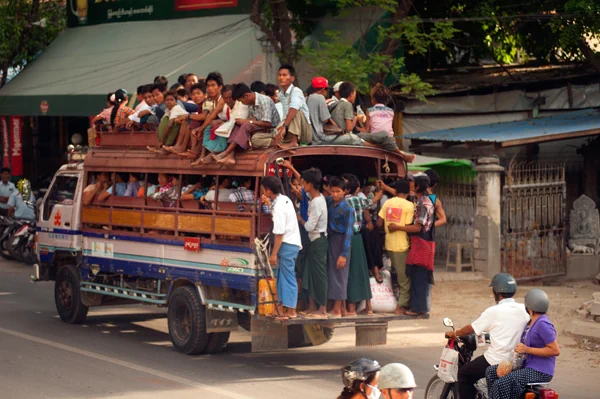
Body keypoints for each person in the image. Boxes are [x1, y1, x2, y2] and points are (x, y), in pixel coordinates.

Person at [445, 273, 530, 399]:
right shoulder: (524, 309)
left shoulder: (493, 311)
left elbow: (471, 328)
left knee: (464, 374)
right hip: (519, 361)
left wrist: (455, 333)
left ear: (496, 292)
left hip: (496, 360)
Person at [486, 289, 559, 399]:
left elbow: (555, 350)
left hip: (540, 370)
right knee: (491, 372)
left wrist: (527, 349)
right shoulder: (531, 322)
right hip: (527, 366)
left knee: (500, 384)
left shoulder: (543, 324)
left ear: (529, 307)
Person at [392, 174, 435, 316]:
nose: (410, 185)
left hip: (421, 241)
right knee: (417, 274)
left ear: (417, 187)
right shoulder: (423, 200)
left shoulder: (423, 203)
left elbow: (418, 227)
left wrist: (398, 227)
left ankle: (419, 308)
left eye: (412, 183)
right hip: (422, 241)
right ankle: (418, 307)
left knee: (419, 275)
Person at [262, 176, 301, 320]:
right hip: (291, 243)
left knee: (288, 277)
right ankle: (280, 308)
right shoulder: (284, 199)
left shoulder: (279, 206)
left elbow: (279, 233)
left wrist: (273, 254)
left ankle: (291, 311)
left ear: (268, 190)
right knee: (281, 277)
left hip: (286, 244)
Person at [216, 83, 280, 165]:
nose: (242, 103)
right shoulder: (250, 103)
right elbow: (253, 119)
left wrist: (248, 121)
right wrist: (246, 121)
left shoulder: (264, 101)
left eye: (241, 101)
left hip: (271, 131)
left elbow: (268, 123)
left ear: (246, 96)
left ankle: (227, 152)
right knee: (238, 124)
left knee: (246, 125)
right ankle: (230, 155)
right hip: (260, 130)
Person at [377, 179, 414, 314]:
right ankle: (400, 306)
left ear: (396, 190)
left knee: (397, 274)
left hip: (389, 243)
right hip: (401, 244)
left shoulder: (388, 203)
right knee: (404, 278)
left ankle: (399, 302)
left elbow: (379, 222)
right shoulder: (410, 206)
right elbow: (410, 225)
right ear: (409, 191)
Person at [297, 168, 328, 318]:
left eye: (303, 183)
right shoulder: (315, 198)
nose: (302, 186)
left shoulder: (317, 203)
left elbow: (309, 226)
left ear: (310, 184)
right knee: (308, 273)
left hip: (318, 241)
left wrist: (301, 220)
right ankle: (311, 305)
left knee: (319, 275)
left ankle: (322, 309)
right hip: (313, 241)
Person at [344, 175, 373, 316]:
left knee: (351, 273)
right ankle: (369, 307)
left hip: (348, 239)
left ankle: (351, 309)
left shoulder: (345, 201)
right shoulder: (360, 200)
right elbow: (370, 203)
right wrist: (376, 194)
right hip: (358, 238)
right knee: (362, 272)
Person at [326, 177, 355, 318]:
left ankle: (337, 309)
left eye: (338, 191)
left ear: (344, 192)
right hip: (330, 239)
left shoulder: (348, 209)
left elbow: (349, 233)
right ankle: (340, 308)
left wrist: (344, 254)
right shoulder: (330, 202)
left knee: (339, 274)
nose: (335, 194)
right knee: (332, 273)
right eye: (333, 191)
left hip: (341, 241)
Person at [275, 65, 312, 149]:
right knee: (257, 138)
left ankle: (293, 142)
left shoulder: (296, 91)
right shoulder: (280, 95)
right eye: (279, 75)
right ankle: (278, 142)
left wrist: (284, 126)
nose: (281, 77)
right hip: (288, 129)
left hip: (303, 132)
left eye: (284, 75)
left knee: (294, 111)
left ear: (292, 78)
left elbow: (294, 108)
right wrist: (279, 129)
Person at [165, 82, 207, 154]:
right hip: (200, 123)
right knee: (185, 121)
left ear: (205, 95)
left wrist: (188, 116)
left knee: (189, 121)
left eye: (198, 93)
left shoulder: (207, 103)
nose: (196, 96)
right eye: (193, 94)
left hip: (206, 124)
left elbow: (203, 116)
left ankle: (187, 149)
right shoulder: (199, 105)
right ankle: (179, 146)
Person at [307, 76, 342, 145]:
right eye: (327, 90)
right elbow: (325, 119)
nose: (327, 92)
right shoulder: (320, 97)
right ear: (323, 89)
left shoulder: (306, 98)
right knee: (351, 138)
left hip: (310, 137)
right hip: (320, 138)